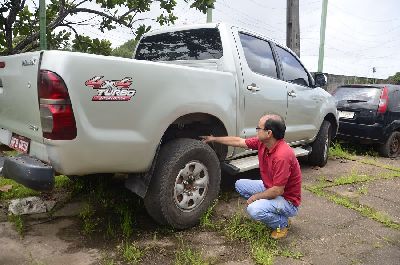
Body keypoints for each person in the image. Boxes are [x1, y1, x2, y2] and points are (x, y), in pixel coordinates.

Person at [201, 114, 301, 239]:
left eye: (258, 128)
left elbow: (278, 190)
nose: (256, 131)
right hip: (271, 188)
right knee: (240, 184)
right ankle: (272, 209)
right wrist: (213, 139)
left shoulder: (282, 156)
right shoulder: (263, 143)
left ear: (269, 133)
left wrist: (256, 197)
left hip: (287, 200)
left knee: (254, 209)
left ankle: (282, 223)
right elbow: (239, 141)